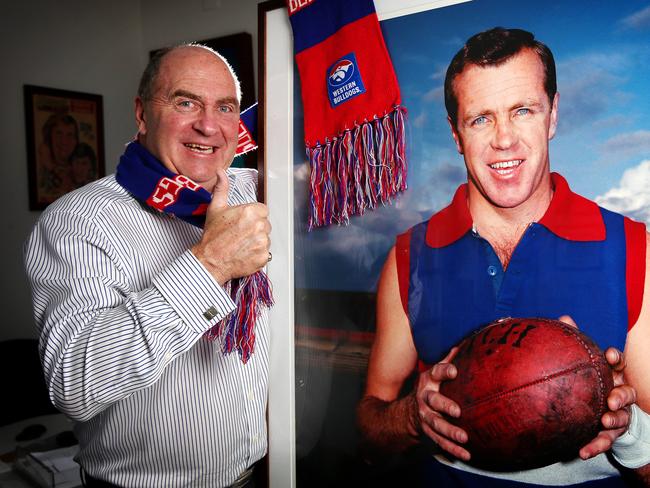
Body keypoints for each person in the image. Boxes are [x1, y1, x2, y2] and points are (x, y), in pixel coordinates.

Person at [357, 27, 650, 487]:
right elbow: (370, 432)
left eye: (523, 111)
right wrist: (413, 416)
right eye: (481, 119)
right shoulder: (409, 256)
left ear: (552, 115)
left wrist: (628, 428)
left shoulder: (633, 248)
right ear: (456, 134)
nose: (504, 139)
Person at [24, 44, 271, 487]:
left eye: (226, 108)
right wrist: (210, 264)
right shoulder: (78, 221)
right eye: (185, 102)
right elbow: (73, 383)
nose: (209, 126)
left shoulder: (256, 192)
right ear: (142, 114)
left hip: (257, 477)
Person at [37, 113, 79, 199]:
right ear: (49, 138)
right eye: (59, 134)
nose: (64, 141)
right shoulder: (41, 171)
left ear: (75, 141)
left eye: (70, 135)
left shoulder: (80, 171)